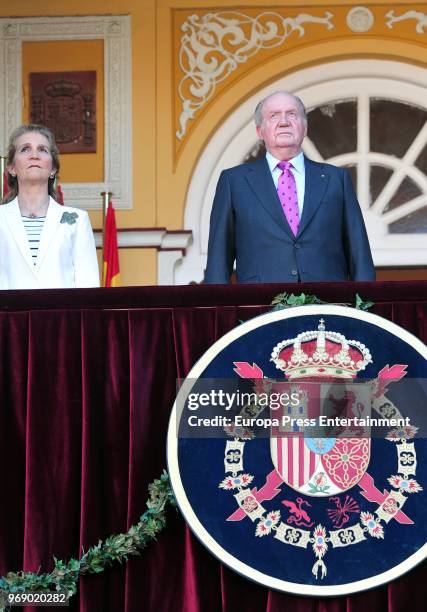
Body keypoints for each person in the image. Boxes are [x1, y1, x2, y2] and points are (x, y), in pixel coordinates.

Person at [205, 91, 375, 284]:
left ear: (305, 128)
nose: (284, 121)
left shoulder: (336, 179)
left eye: (292, 114)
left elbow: (359, 253)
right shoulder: (233, 181)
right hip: (260, 307)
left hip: (328, 305)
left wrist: (363, 306)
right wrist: (219, 310)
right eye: (273, 116)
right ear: (260, 131)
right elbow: (218, 261)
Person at [0, 124, 100, 289]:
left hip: (63, 315)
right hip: (7, 315)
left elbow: (88, 287)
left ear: (53, 168)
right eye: (25, 149)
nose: (34, 155)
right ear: (11, 168)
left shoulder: (77, 220)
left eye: (42, 149)